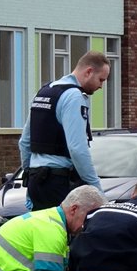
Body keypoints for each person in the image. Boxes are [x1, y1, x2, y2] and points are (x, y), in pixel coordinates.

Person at [18, 51, 110, 211]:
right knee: (65, 233)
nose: (101, 86)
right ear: (88, 72)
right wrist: (96, 189)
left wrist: (29, 175)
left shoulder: (44, 92)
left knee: (41, 233)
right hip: (58, 182)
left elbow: (25, 142)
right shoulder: (74, 96)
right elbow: (78, 149)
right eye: (101, 79)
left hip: (37, 182)